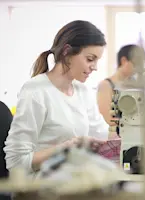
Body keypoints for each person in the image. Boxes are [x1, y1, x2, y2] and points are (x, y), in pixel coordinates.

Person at [3, 20, 109, 175]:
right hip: (43, 187)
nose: (95, 67)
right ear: (67, 52)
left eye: (97, 60)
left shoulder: (82, 91)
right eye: (90, 59)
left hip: (74, 179)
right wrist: (65, 149)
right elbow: (17, 161)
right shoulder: (35, 90)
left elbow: (102, 135)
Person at [97, 44, 145, 137]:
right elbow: (107, 119)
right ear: (124, 61)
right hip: (116, 136)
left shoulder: (134, 84)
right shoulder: (106, 85)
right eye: (136, 64)